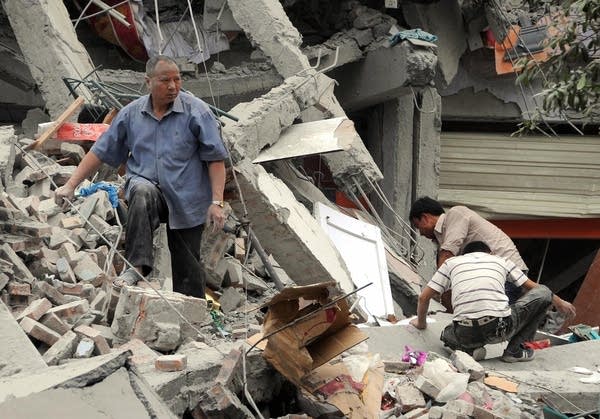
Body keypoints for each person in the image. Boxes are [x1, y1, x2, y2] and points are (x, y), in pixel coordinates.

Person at [55, 55, 228, 299]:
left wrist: (216, 202)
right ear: (148, 82)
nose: (173, 86)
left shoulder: (197, 112)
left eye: (177, 80)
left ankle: (192, 312)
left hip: (187, 197)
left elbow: (215, 158)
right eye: (165, 80)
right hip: (148, 190)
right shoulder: (130, 114)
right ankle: (136, 266)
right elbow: (101, 150)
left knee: (188, 264)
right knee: (141, 190)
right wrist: (70, 185)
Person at [409, 196, 576, 318]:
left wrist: (445, 301)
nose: (421, 234)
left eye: (418, 227)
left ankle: (509, 348)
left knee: (491, 317)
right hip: (497, 276)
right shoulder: (444, 239)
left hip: (504, 275)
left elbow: (446, 261)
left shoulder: (455, 214)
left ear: (424, 218)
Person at [410, 241, 555, 362]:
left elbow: (424, 297)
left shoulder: (451, 263)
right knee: (545, 292)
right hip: (500, 327)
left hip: (465, 332)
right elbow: (534, 288)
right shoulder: (501, 260)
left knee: (447, 333)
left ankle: (469, 350)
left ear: (464, 254)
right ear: (490, 253)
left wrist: (421, 324)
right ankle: (514, 351)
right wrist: (558, 301)